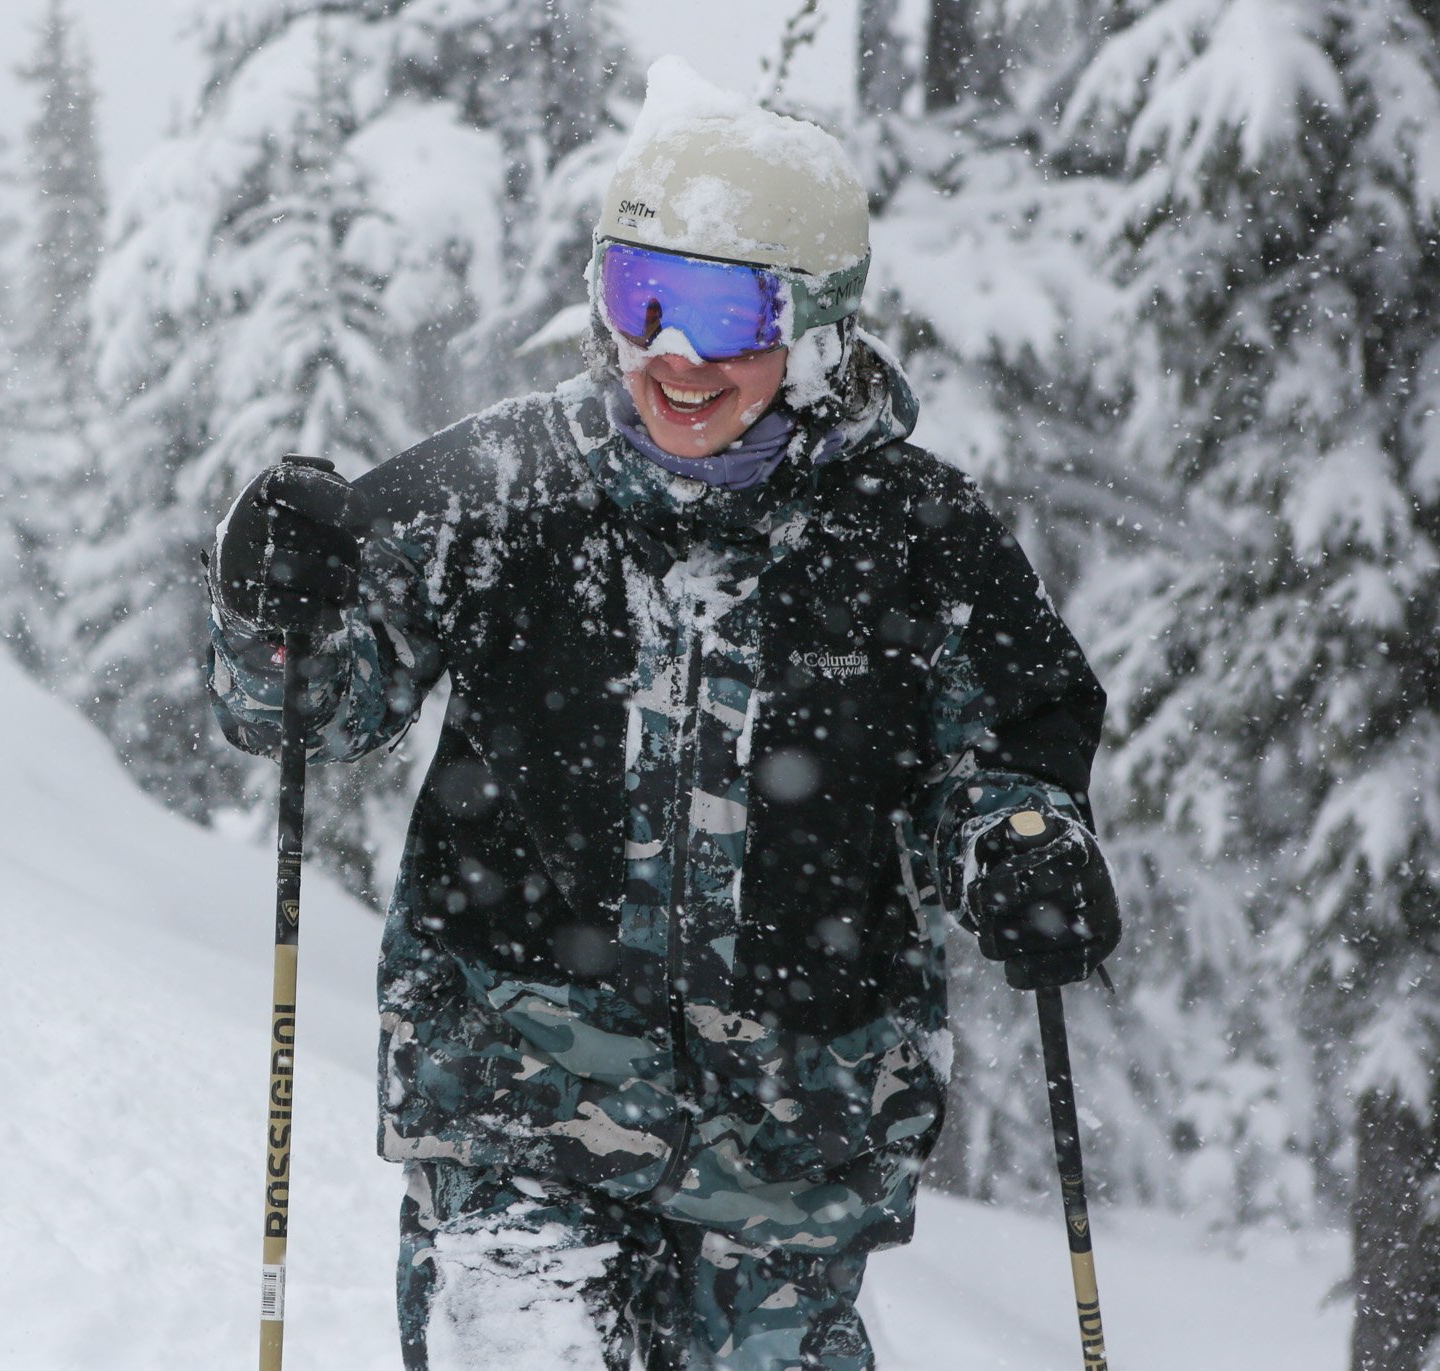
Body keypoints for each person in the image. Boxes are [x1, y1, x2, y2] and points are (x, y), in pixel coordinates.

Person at [207, 58, 1120, 1371]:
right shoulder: (504, 486)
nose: (673, 358)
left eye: (720, 310)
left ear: (815, 319)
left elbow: (1000, 750)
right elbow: (312, 706)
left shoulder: (911, 532)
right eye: (642, 299)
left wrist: (1021, 839)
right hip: (516, 1103)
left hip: (794, 1146)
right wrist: (270, 610)